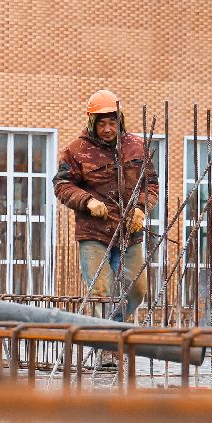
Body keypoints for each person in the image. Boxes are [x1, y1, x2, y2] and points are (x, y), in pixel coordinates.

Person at [52, 89, 160, 334]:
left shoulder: (136, 147)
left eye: (112, 122)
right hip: (94, 232)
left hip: (129, 231)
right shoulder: (76, 150)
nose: (108, 129)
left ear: (119, 120)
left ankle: (113, 328)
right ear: (92, 123)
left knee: (137, 288)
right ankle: (109, 343)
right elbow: (61, 185)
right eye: (102, 123)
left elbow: (150, 183)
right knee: (101, 291)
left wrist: (141, 209)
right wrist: (87, 201)